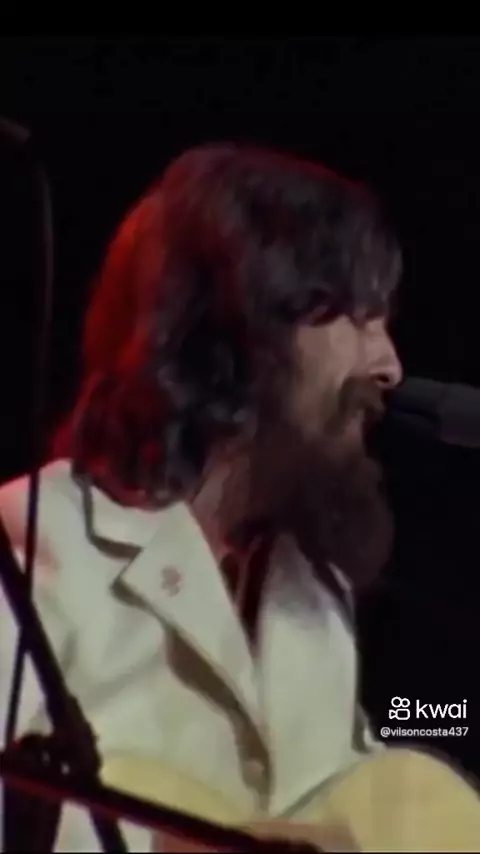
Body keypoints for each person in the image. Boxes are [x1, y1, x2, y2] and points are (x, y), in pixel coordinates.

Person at [0, 144, 403, 851]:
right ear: (240, 327)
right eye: (359, 315)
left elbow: (359, 792)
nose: (390, 365)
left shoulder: (312, 588)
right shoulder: (33, 548)